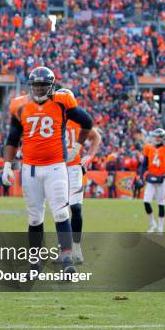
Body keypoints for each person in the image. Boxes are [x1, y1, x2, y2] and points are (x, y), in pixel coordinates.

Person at [2, 67, 93, 275]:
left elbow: (87, 123)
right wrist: (7, 164)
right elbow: (12, 138)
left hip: (55, 167)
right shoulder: (20, 105)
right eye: (36, 85)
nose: (40, 89)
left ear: (51, 86)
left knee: (61, 212)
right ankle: (35, 263)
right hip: (30, 168)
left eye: (44, 85)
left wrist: (77, 147)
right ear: (30, 86)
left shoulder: (62, 102)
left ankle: (67, 259)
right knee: (34, 218)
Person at [58, 89, 102, 264]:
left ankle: (76, 247)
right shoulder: (53, 119)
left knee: (75, 208)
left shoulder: (77, 120)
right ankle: (64, 248)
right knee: (60, 210)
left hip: (74, 168)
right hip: (56, 168)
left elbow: (96, 137)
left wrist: (89, 156)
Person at [139, 128, 165, 233]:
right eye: (155, 136)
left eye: (159, 136)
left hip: (162, 178)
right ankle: (152, 224)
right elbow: (144, 164)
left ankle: (160, 227)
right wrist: (141, 175)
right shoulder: (148, 148)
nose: (157, 138)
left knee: (161, 202)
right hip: (151, 177)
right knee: (146, 201)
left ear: (163, 138)